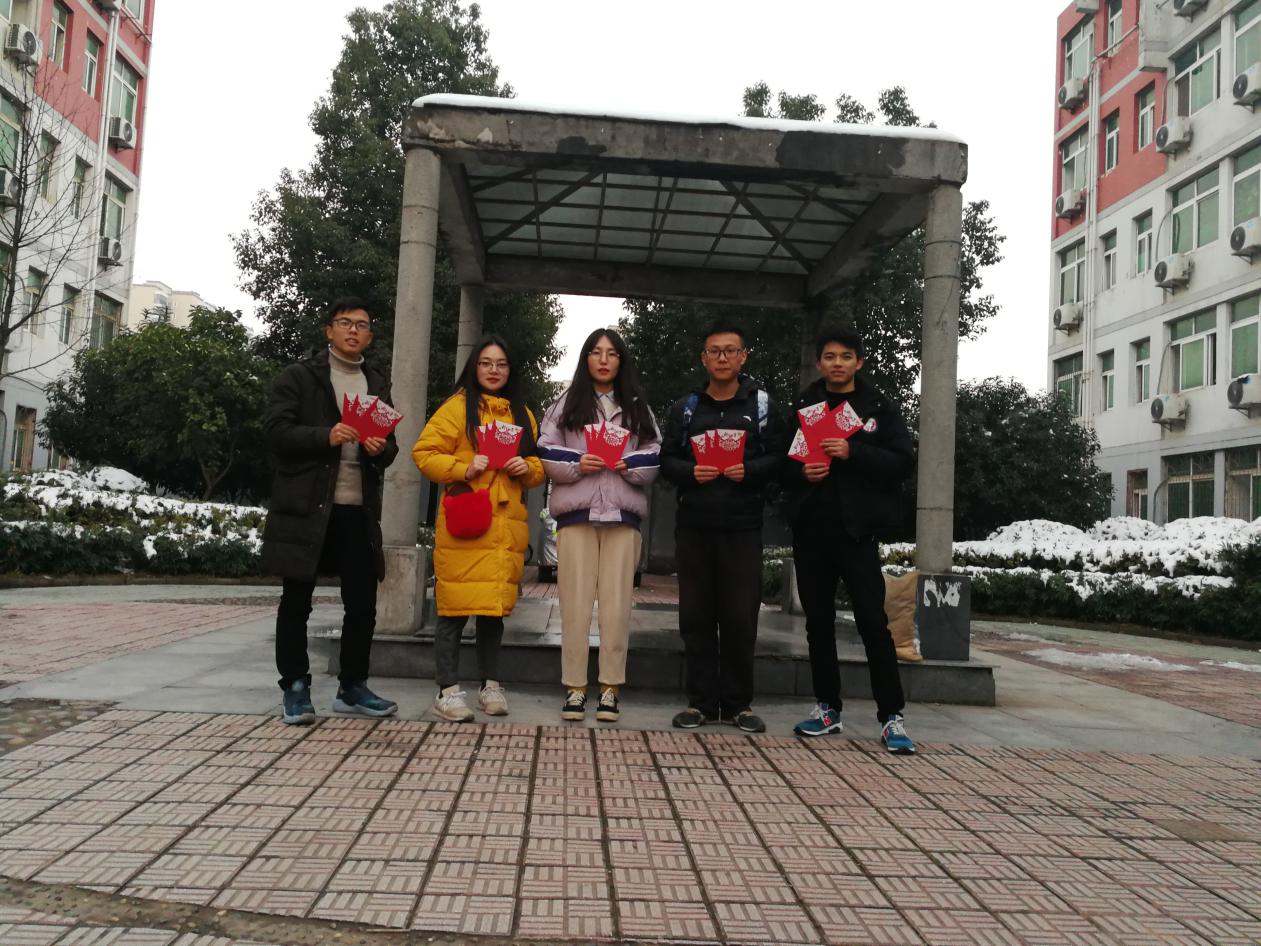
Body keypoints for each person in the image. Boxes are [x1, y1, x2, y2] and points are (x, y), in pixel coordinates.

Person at [261, 296, 400, 725]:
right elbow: (275, 432)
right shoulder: (300, 376)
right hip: (307, 507)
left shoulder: (375, 382)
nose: (353, 330)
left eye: (362, 325)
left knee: (362, 603)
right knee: (296, 600)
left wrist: (379, 449)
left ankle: (352, 686)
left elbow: (391, 448)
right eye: (345, 322)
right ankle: (295, 687)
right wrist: (326, 435)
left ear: (369, 336)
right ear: (329, 331)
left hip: (357, 508)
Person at [782, 324, 916, 754]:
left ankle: (891, 716)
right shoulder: (805, 406)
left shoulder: (878, 407)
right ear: (819, 363)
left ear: (859, 361)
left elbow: (903, 461)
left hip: (858, 534)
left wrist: (852, 451)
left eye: (845, 357)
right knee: (818, 624)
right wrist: (802, 473)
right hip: (812, 531)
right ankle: (828, 708)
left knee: (873, 623)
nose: (837, 364)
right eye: (829, 356)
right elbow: (782, 465)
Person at [659, 320, 785, 733]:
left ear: (743, 357)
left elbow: (780, 459)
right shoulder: (686, 408)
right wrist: (690, 472)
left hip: (743, 528)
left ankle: (737, 704)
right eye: (714, 351)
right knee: (695, 616)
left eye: (730, 350)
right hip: (694, 527)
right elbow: (666, 460)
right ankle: (699, 703)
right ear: (704, 358)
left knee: (739, 618)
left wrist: (748, 471)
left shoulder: (762, 406)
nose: (722, 358)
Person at [412, 334, 545, 722]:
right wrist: (463, 468)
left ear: (510, 370)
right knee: (453, 609)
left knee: (493, 612)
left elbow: (538, 464)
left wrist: (526, 468)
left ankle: (491, 686)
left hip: (504, 529)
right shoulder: (456, 409)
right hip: (468, 522)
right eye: (486, 363)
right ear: (474, 367)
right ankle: (447, 690)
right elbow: (424, 453)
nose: (493, 370)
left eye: (501, 364)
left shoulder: (522, 414)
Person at [538, 328, 661, 723]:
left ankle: (610, 688)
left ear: (621, 361)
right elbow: (544, 448)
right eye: (595, 352)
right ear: (586, 359)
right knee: (573, 606)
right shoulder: (565, 404)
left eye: (611, 353)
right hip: (577, 517)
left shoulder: (638, 407)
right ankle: (575, 688)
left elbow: (655, 451)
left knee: (617, 607)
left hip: (623, 519)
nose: (604, 360)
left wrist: (629, 464)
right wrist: (578, 462)